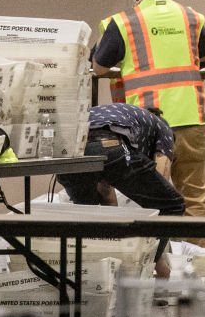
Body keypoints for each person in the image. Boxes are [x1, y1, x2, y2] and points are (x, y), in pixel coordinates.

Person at [92, 0, 205, 244]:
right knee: (194, 200)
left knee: (151, 200)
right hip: (191, 119)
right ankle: (196, 272)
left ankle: (153, 270)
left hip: (148, 125)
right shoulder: (190, 17)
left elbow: (99, 66)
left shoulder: (124, 22)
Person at [56, 103, 186, 275]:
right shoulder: (163, 128)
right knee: (173, 205)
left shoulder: (124, 117)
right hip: (109, 143)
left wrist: (117, 238)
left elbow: (106, 190)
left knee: (88, 219)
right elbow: (162, 174)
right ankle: (148, 269)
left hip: (65, 151)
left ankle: (96, 281)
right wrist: (154, 253)